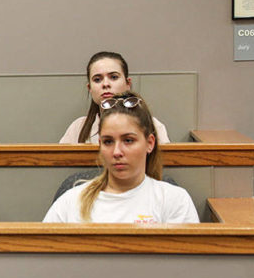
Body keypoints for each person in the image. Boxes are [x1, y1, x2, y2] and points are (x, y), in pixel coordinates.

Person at [44, 92, 199, 223]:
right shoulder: (71, 202)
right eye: (108, 142)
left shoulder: (174, 200)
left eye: (128, 140)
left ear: (150, 143)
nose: (117, 151)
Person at [59, 51, 171, 144]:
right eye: (97, 79)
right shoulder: (77, 128)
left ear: (128, 84)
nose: (105, 84)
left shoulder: (152, 125)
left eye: (113, 77)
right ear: (90, 88)